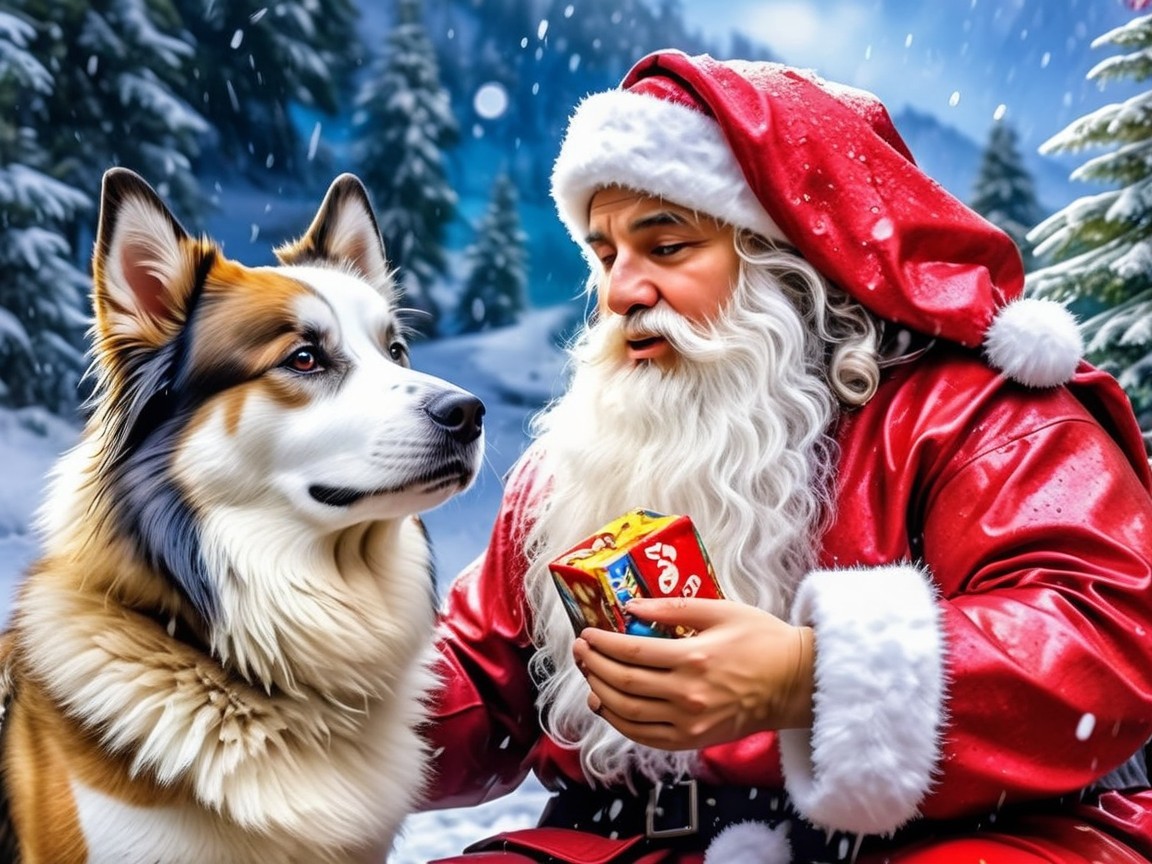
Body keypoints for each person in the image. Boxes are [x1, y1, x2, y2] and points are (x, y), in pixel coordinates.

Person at [420, 50, 1152, 864]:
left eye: (666, 248)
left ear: (792, 260)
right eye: (606, 255)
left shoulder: (979, 413)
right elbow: (476, 691)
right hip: (627, 847)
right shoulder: (577, 463)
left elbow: (1103, 641)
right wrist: (303, 683)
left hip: (942, 843)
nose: (621, 290)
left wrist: (808, 675)